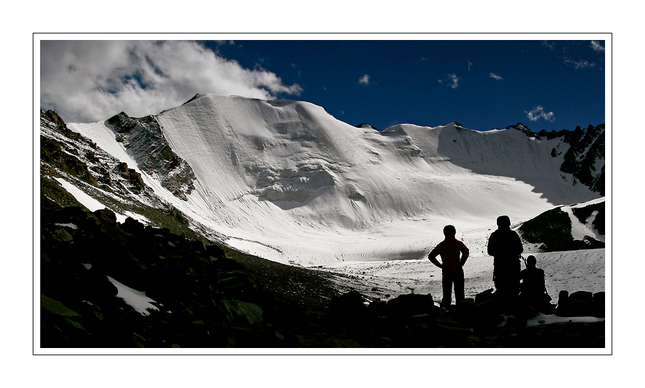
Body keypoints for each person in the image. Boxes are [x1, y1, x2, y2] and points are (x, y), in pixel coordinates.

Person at [428, 225, 469, 308]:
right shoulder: (457, 243)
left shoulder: (442, 245)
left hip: (446, 271)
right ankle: (461, 313)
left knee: (446, 295)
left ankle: (445, 313)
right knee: (460, 294)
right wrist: (461, 263)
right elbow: (466, 251)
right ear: (454, 232)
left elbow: (431, 256)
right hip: (458, 271)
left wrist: (440, 266)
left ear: (444, 233)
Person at [487, 215, 523, 300]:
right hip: (513, 266)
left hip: (500, 266)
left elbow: (490, 251)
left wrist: (500, 253)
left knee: (501, 288)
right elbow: (520, 249)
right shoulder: (513, 235)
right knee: (514, 288)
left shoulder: (494, 236)